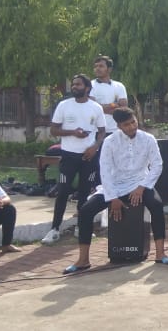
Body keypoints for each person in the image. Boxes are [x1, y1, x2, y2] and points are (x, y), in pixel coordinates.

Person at [63, 107, 168, 274]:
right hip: (114, 185)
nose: (131, 127)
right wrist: (113, 197)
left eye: (133, 122)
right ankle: (83, 260)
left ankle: (160, 253)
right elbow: (105, 171)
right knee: (85, 211)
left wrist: (142, 187)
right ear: (118, 126)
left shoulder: (148, 139)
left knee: (156, 205)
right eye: (126, 124)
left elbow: (157, 165)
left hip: (140, 183)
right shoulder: (110, 141)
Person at [42, 74, 106, 245]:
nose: (74, 87)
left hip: (89, 156)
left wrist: (95, 147)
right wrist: (72, 132)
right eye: (73, 84)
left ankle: (81, 228)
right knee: (62, 192)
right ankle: (54, 229)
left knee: (85, 193)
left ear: (87, 88)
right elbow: (54, 130)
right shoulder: (64, 105)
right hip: (69, 155)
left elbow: (101, 131)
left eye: (78, 84)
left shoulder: (96, 107)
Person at [88, 55, 127, 138]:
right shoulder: (89, 85)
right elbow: (92, 108)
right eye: (95, 66)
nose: (97, 68)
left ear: (109, 69)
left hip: (115, 130)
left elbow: (123, 109)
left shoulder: (119, 86)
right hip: (96, 131)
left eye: (101, 66)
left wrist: (101, 107)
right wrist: (114, 105)